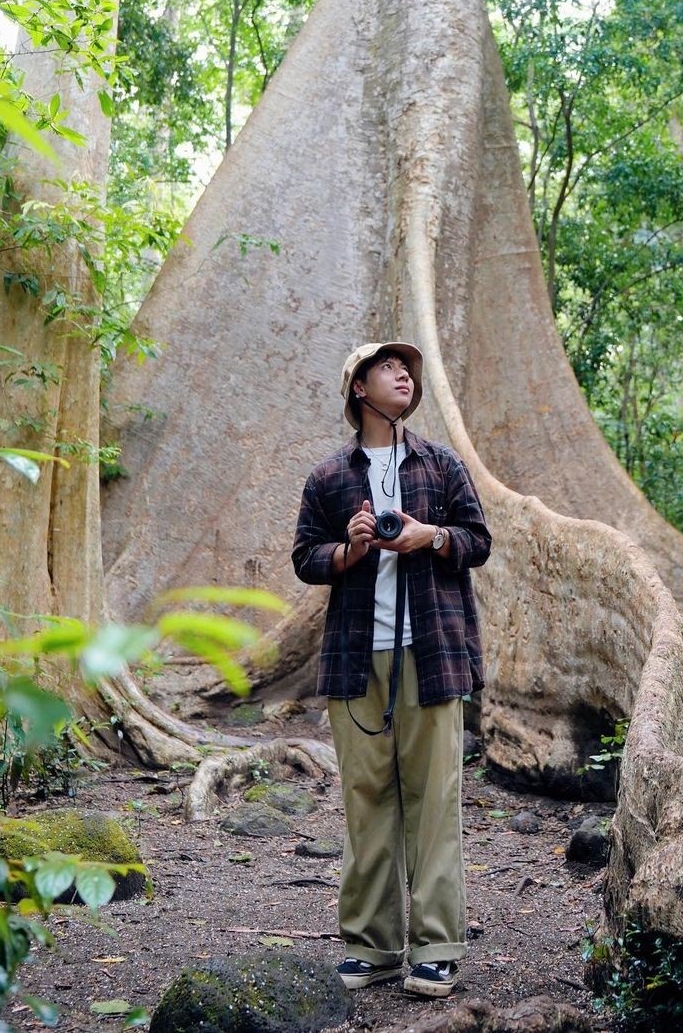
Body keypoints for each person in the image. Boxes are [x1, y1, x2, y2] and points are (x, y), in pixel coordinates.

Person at [292, 341, 491, 999]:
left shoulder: (438, 463)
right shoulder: (327, 477)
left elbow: (476, 541)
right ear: (358, 388)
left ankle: (435, 946)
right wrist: (348, 550)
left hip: (430, 650)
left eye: (407, 367)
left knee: (434, 801)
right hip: (356, 657)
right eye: (387, 367)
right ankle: (373, 945)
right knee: (366, 799)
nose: (404, 373)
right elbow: (304, 557)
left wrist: (426, 536)